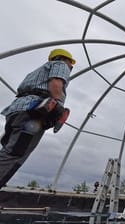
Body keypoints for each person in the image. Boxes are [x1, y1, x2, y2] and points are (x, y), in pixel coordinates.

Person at [0, 48, 76, 188]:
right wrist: (57, 106)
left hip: (16, 112)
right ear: (65, 59)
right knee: (15, 154)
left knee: (7, 151)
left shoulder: (34, 73)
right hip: (32, 115)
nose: (71, 67)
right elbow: (56, 83)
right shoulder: (60, 65)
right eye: (71, 63)